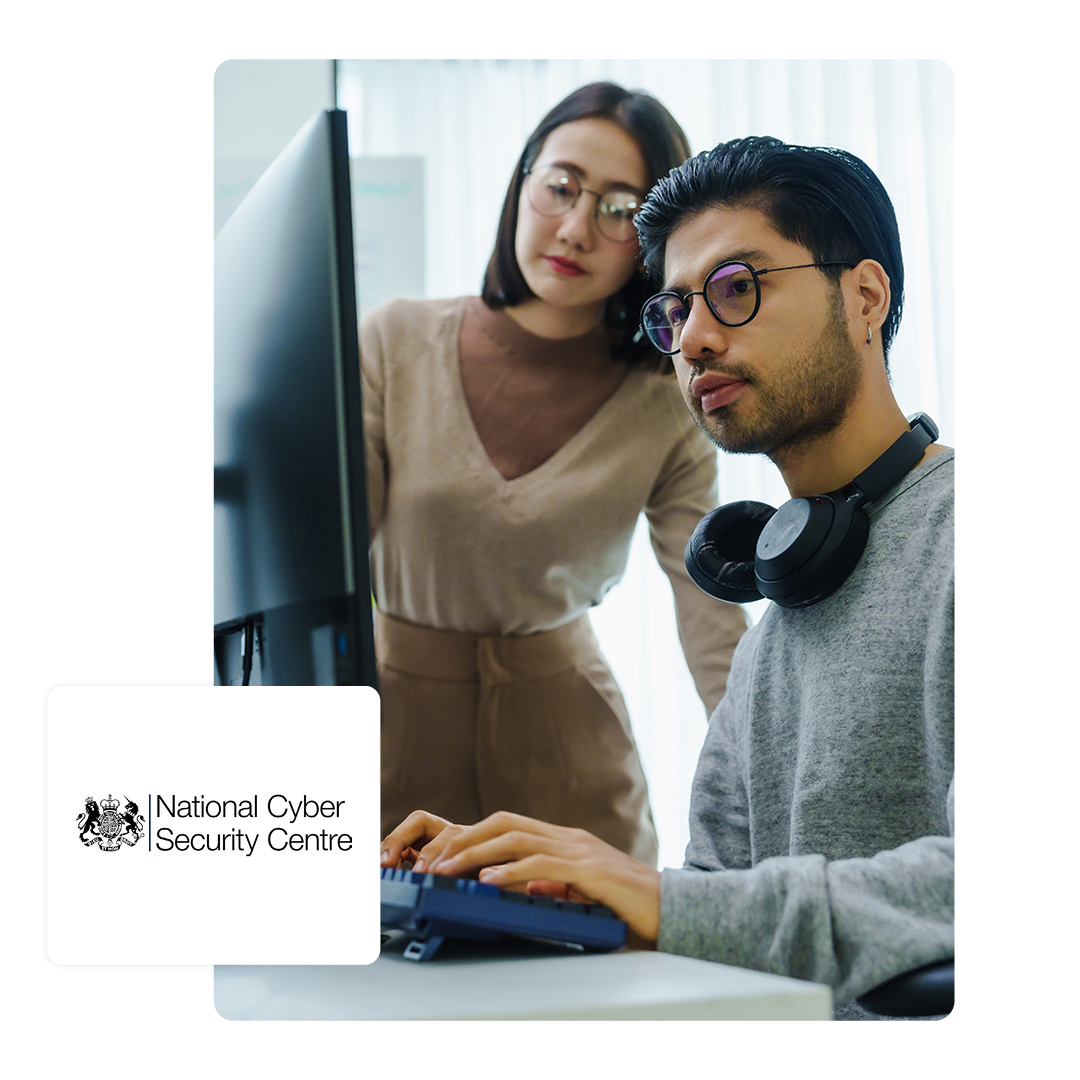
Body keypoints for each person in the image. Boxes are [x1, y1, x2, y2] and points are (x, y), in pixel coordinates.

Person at [380, 136, 955, 1019]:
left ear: (865, 297)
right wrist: (524, 906)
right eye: (676, 308)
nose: (692, 337)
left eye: (736, 288)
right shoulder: (777, 633)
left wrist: (651, 895)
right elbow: (716, 910)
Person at [362, 83, 749, 866]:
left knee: (588, 978)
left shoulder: (665, 401)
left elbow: (708, 611)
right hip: (388, 742)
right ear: (523, 183)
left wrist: (767, 776)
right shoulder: (397, 340)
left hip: (570, 758)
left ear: (652, 240)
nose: (575, 227)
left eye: (618, 209)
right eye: (562, 187)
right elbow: (317, 555)